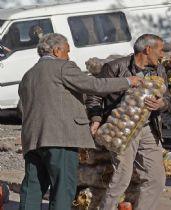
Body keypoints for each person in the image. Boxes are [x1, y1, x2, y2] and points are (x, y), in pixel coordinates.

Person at [18, 33, 141, 210]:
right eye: (67, 51)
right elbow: (94, 85)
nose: (69, 56)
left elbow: (23, 106)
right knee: (63, 187)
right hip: (60, 139)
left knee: (33, 186)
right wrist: (128, 81)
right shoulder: (63, 67)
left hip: (32, 139)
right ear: (56, 51)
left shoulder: (28, 75)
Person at [86, 34, 170, 210]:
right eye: (160, 50)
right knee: (122, 177)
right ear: (147, 49)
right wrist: (95, 119)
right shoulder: (115, 67)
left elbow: (167, 97)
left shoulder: (159, 69)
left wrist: (161, 104)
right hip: (121, 130)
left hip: (148, 129)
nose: (163, 55)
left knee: (156, 177)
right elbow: (94, 95)